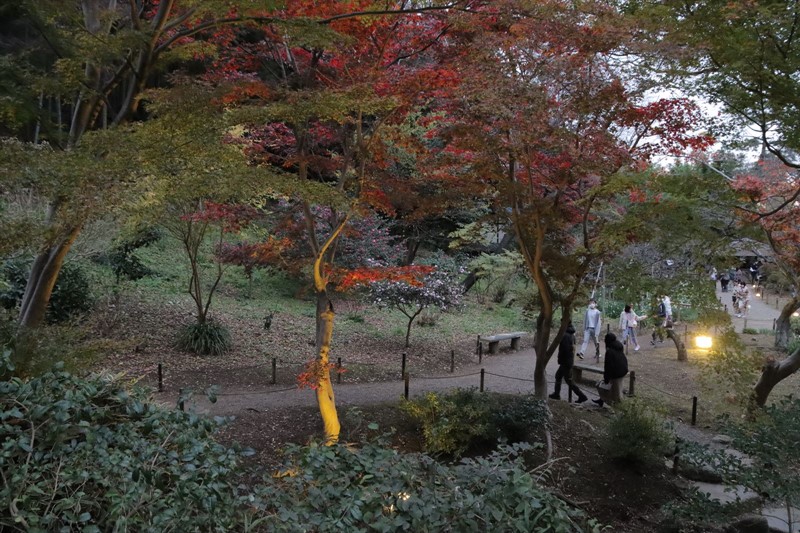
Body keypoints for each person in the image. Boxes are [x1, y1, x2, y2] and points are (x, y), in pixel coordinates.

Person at [549, 323, 588, 403]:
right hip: (568, 361)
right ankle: (556, 394)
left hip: (566, 361)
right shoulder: (571, 335)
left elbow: (565, 350)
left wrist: (561, 359)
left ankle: (581, 396)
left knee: (568, 380)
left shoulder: (565, 335)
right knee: (559, 376)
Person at [593, 332, 628, 406]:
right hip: (622, 371)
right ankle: (602, 400)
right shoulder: (619, 348)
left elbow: (608, 366)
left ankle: (617, 407)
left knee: (616, 394)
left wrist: (606, 379)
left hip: (616, 374)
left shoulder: (610, 351)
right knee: (617, 390)